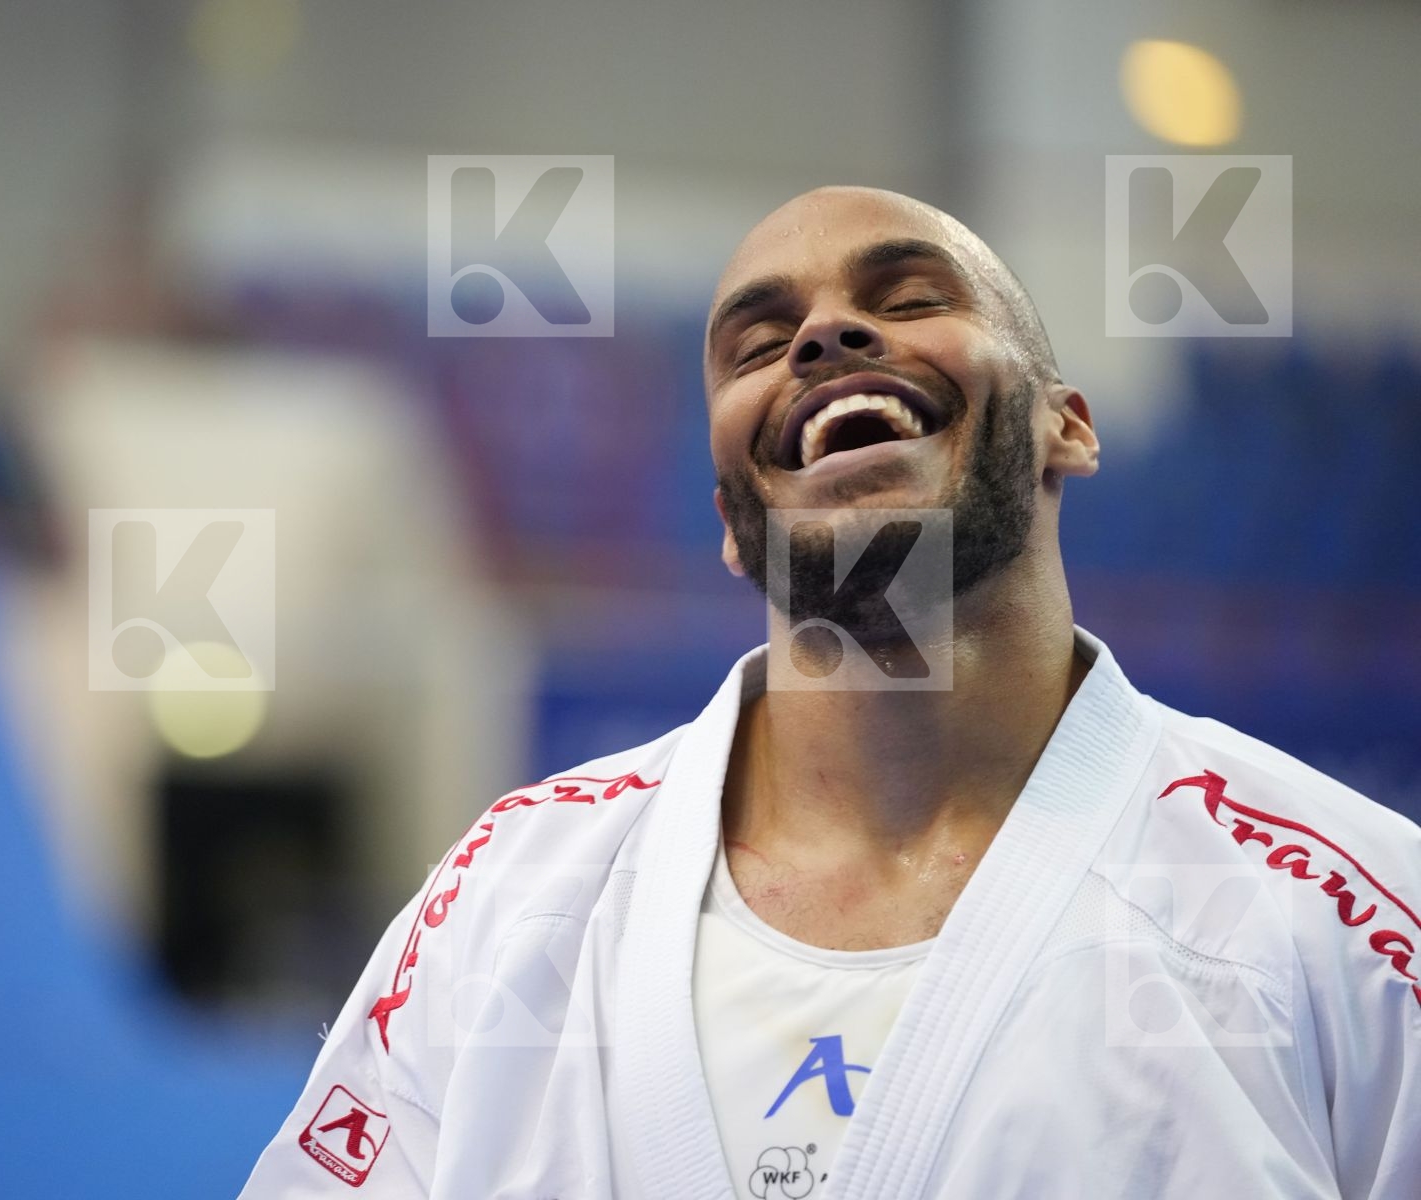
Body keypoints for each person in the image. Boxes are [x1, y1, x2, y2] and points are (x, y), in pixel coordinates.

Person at [238, 187, 1421, 1199]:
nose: (825, 335)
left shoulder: (1350, 929)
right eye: (758, 345)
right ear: (728, 523)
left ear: (1069, 426)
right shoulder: (506, 909)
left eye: (908, 300)